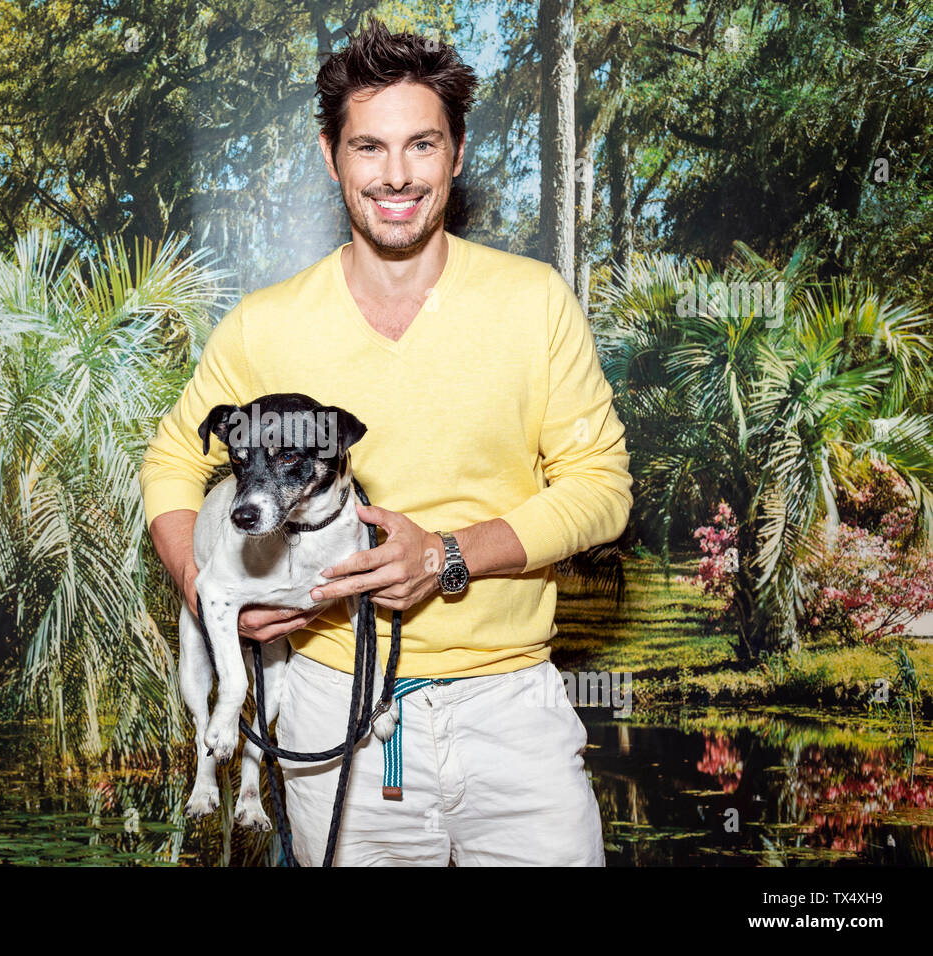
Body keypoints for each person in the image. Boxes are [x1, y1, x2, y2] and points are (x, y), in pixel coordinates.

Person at [139, 18, 633, 866]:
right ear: (331, 157)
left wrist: (449, 554)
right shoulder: (265, 325)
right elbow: (173, 460)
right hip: (332, 708)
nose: (397, 175)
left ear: (458, 153)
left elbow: (601, 488)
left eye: (421, 145)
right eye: (369, 147)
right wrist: (206, 584)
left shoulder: (534, 301)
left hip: (509, 707)